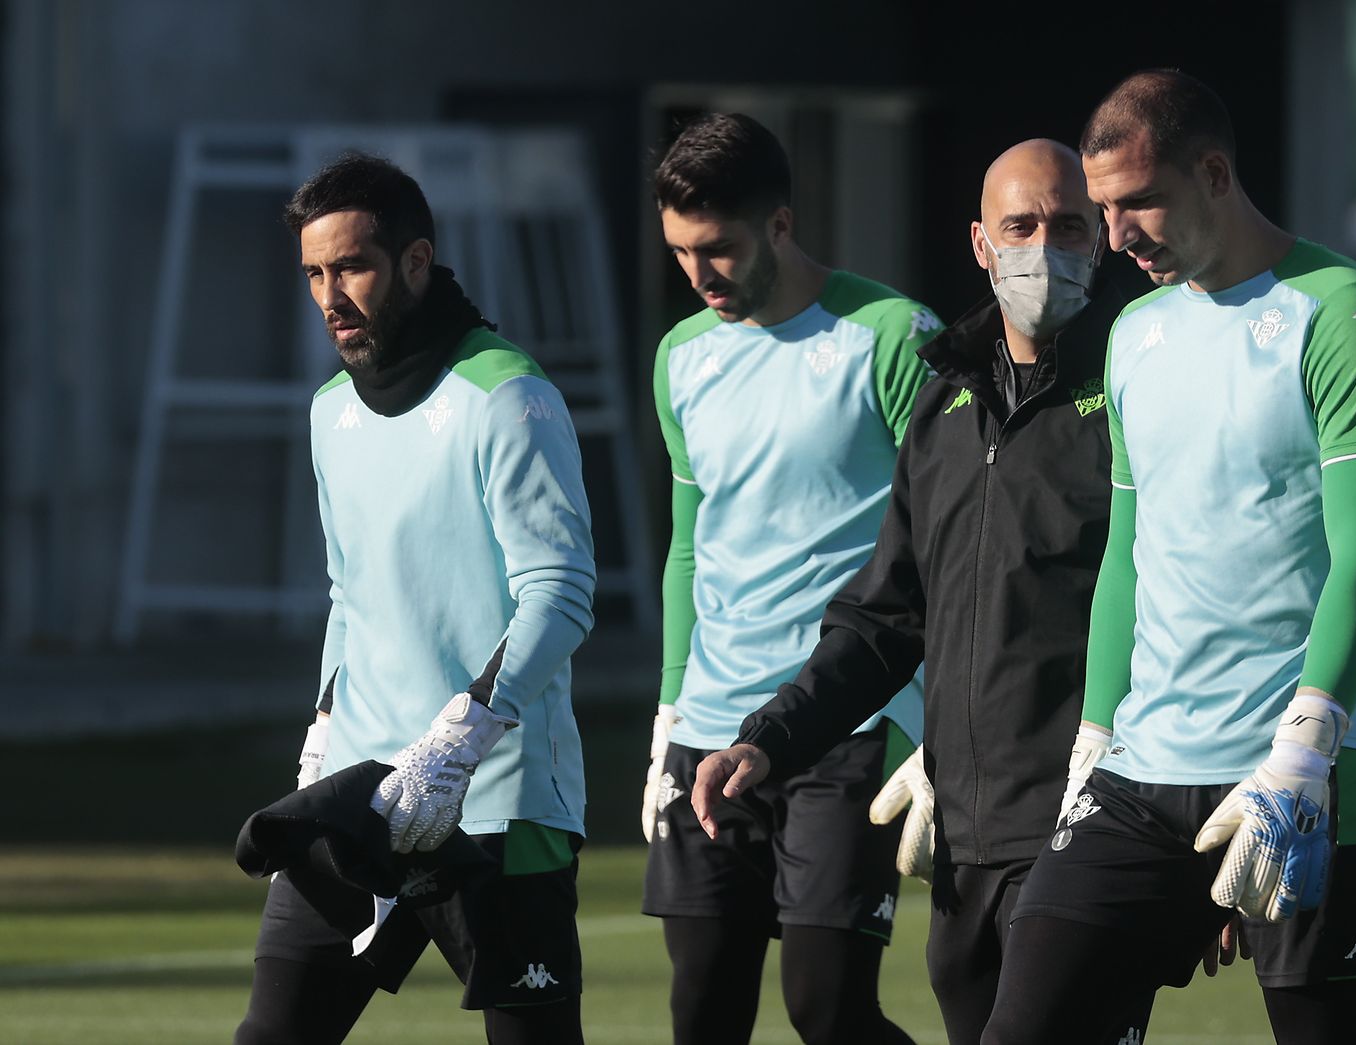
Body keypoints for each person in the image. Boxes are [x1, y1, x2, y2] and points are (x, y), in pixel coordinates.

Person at [977, 70, 1356, 1045]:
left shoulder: (1344, 312)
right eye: (1103, 209)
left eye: (1139, 201)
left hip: (1315, 778)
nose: (1118, 232)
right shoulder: (1134, 333)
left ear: (1213, 174)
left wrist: (1301, 757)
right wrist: (1091, 749)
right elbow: (1129, 560)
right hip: (1142, 783)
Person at [688, 138, 1153, 1045]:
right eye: (1020, 227)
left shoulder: (1138, 384)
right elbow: (884, 618)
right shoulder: (944, 407)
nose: (1043, 249)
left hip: (1092, 828)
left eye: (1066, 226)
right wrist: (771, 738)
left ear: (1099, 238)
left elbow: (1187, 603)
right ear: (981, 243)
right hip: (962, 838)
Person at [235, 154, 595, 1045]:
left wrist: (461, 737)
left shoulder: (508, 394)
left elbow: (561, 591)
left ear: (417, 262)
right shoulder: (329, 412)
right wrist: (322, 735)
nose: (330, 295)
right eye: (315, 273)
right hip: (357, 795)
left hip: (496, 799)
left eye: (351, 266)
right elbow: (348, 595)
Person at [641, 112, 934, 1045]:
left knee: (828, 1009)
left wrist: (924, 722)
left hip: (844, 724)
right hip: (710, 729)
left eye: (717, 248)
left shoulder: (893, 336)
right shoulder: (680, 357)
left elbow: (947, 547)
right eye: (681, 251)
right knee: (703, 1015)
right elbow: (690, 543)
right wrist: (668, 714)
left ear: (779, 223)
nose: (697, 274)